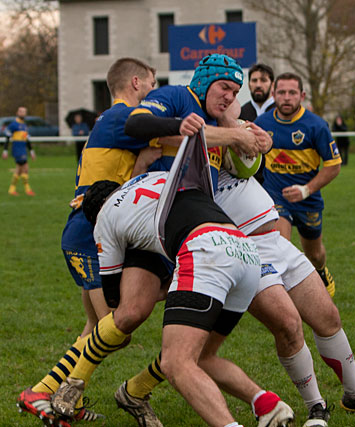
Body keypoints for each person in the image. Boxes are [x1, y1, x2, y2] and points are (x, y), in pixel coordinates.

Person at [49, 54, 271, 425]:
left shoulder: (226, 119)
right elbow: (139, 123)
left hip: (193, 232)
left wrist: (255, 140)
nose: (231, 96)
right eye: (224, 88)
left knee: (190, 337)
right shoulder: (177, 98)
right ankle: (65, 385)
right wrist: (232, 133)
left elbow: (249, 169)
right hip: (154, 224)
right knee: (130, 315)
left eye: (236, 91)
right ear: (203, 83)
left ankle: (134, 391)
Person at [80, 133, 294, 427]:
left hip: (205, 250)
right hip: (244, 250)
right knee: (203, 357)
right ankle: (268, 405)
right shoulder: (153, 178)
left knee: (175, 362)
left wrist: (143, 295)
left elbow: (112, 295)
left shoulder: (104, 217)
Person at [16, 57, 161, 427]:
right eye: (151, 84)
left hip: (93, 234)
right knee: (116, 326)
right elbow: (170, 135)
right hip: (87, 237)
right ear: (135, 82)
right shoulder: (123, 118)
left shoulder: (112, 123)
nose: (154, 93)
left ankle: (66, 397)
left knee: (95, 327)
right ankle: (40, 390)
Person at [255, 72, 340, 297]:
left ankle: (321, 271)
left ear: (301, 95)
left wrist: (306, 190)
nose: (286, 97)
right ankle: (286, 298)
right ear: (273, 95)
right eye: (281, 92)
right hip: (275, 196)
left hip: (308, 199)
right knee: (280, 248)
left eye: (292, 92)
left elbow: (334, 166)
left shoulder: (316, 126)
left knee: (315, 254)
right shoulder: (262, 124)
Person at [240, 63, 276, 184]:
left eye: (263, 80)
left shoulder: (281, 113)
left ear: (273, 84)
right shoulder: (241, 113)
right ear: (249, 85)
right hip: (249, 181)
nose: (258, 85)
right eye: (254, 80)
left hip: (278, 180)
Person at [3, 106, 36, 196]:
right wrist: (5, 150)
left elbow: (27, 139)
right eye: (21, 111)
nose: (23, 113)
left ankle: (12, 189)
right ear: (17, 113)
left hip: (23, 149)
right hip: (17, 149)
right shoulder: (14, 124)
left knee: (20, 170)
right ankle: (27, 189)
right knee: (24, 168)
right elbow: (7, 137)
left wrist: (31, 151)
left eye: (24, 112)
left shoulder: (25, 126)